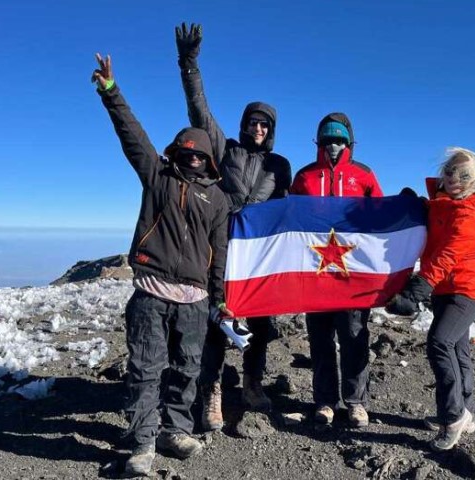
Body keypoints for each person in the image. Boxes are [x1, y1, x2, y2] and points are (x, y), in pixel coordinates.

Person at [92, 53, 231, 476]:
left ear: (209, 159)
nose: (193, 158)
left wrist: (220, 299)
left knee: (188, 369)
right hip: (151, 294)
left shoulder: (217, 199)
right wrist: (111, 92)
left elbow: (219, 253)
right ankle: (142, 441)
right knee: (145, 369)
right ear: (176, 152)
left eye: (200, 154)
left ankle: (176, 429)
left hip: (195, 300)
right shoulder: (157, 176)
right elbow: (132, 134)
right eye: (187, 152)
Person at [174, 23, 293, 430]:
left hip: (260, 256)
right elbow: (200, 112)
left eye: (265, 125)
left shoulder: (280, 166)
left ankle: (252, 384)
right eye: (253, 122)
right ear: (245, 124)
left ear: (271, 130)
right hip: (223, 250)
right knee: (217, 323)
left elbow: (289, 210)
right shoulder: (226, 150)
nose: (258, 128)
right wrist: (189, 64)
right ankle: (212, 391)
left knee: (260, 323)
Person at [386, 147, 475, 451]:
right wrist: (415, 204)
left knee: (439, 342)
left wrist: (416, 291)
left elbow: (446, 257)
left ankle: (453, 416)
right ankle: (465, 411)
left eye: (464, 175)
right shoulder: (443, 202)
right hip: (446, 289)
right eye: (450, 170)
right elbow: (434, 216)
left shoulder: (468, 215)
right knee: (458, 349)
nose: (454, 178)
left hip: (466, 290)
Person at [290, 113, 383, 427]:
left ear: (349, 142)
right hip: (315, 272)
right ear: (318, 142)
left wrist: (407, 210)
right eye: (327, 139)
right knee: (320, 339)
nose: (333, 145)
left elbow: (380, 217)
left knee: (354, 337)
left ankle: (356, 402)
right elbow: (291, 219)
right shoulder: (304, 177)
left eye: (339, 139)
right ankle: (325, 401)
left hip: (352, 275)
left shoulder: (363, 175)